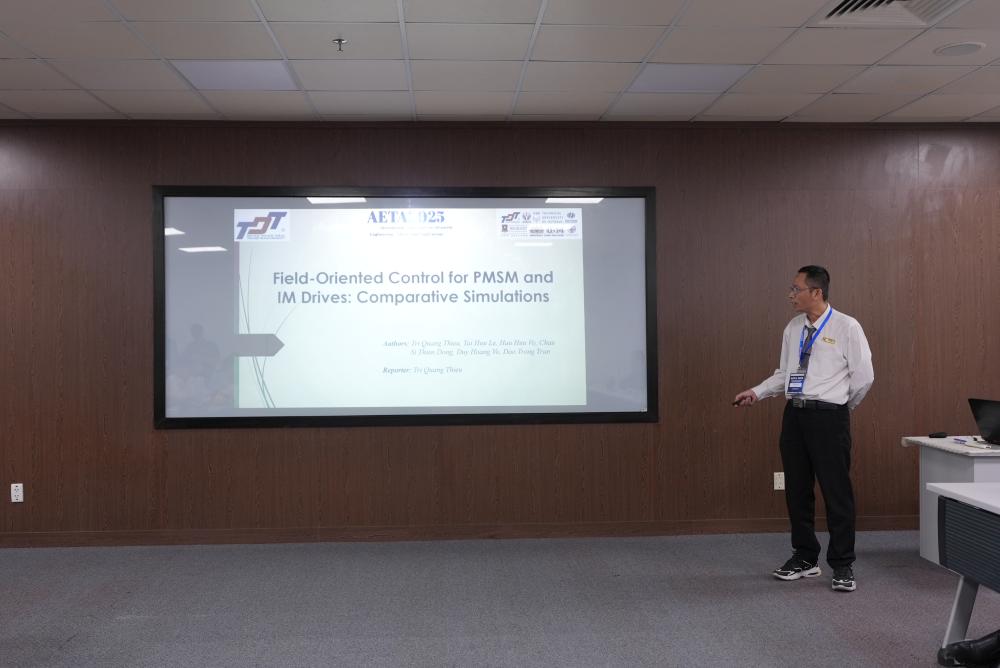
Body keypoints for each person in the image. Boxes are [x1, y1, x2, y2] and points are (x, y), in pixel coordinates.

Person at [733, 266, 874, 592]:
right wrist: (757, 391)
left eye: (796, 289)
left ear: (816, 292)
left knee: (836, 492)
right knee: (797, 490)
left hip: (830, 419)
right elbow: (786, 373)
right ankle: (805, 557)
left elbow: (864, 377)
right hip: (795, 416)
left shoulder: (847, 326)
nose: (791, 295)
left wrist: (840, 407)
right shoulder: (794, 328)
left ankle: (842, 564)